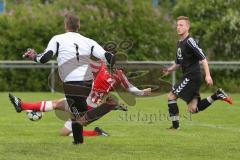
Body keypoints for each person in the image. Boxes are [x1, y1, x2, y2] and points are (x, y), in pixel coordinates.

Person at [20, 12, 117, 144]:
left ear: (66, 25)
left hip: (71, 83)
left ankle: (107, 107)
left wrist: (34, 56)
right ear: (79, 25)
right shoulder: (88, 41)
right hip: (87, 82)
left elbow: (45, 58)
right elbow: (108, 57)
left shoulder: (58, 39)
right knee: (76, 113)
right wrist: (112, 59)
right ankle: (78, 141)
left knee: (80, 116)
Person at [9, 60, 151, 136]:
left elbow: (132, 89)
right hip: (87, 103)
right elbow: (133, 90)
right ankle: (23, 105)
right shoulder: (112, 72)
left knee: (64, 125)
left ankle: (96, 132)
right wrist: (144, 92)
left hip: (87, 106)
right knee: (59, 108)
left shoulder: (105, 69)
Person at [163, 16, 233, 129]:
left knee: (171, 96)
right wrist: (170, 69)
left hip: (192, 76)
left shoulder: (190, 41)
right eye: (177, 25)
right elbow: (178, 62)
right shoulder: (179, 43)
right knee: (193, 109)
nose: (178, 27)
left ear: (187, 27)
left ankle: (175, 127)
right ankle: (216, 95)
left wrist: (208, 75)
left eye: (181, 25)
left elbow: (203, 58)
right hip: (190, 76)